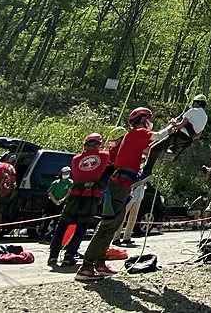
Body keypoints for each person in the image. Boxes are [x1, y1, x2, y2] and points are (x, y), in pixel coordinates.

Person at [77, 107, 172, 281]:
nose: (150, 123)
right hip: (120, 184)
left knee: (114, 224)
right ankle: (86, 267)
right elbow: (159, 136)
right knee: (108, 225)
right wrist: (172, 125)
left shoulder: (134, 138)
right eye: (149, 119)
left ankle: (99, 263)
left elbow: (150, 147)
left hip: (124, 184)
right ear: (143, 119)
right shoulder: (137, 132)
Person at [49, 134, 109, 267]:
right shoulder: (104, 156)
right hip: (91, 196)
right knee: (81, 227)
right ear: (98, 144)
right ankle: (69, 255)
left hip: (75, 195)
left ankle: (53, 255)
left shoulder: (76, 159)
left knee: (63, 224)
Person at [145, 94, 208, 170]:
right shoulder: (205, 117)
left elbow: (179, 126)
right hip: (187, 141)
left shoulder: (193, 111)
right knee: (166, 151)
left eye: (194, 102)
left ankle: (146, 170)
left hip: (178, 135)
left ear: (197, 102)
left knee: (154, 149)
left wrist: (173, 123)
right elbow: (198, 135)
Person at [41, 165, 72, 239]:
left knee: (57, 220)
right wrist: (55, 201)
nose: (66, 174)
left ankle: (54, 236)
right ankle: (42, 235)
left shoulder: (70, 182)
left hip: (61, 203)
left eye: (68, 173)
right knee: (47, 219)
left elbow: (69, 192)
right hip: (52, 202)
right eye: (65, 173)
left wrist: (62, 200)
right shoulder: (56, 182)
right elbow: (49, 192)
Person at [115, 178, 146, 247]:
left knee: (133, 218)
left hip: (139, 197)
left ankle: (127, 238)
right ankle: (116, 238)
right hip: (129, 196)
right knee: (122, 216)